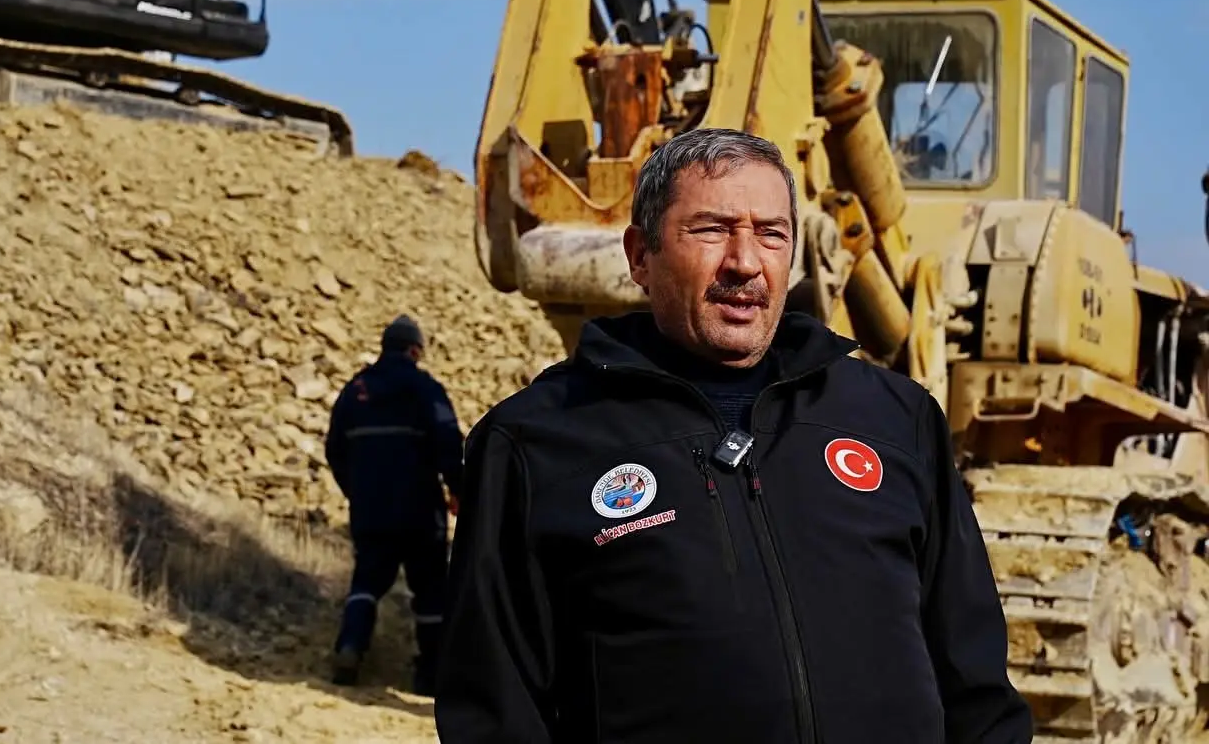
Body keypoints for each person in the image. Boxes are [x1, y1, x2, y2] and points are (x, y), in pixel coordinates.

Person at [435, 128, 1033, 743]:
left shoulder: (896, 420)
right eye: (711, 230)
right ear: (640, 255)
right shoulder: (536, 443)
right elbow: (495, 710)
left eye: (771, 234)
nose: (745, 263)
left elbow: (975, 683)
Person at [324, 313, 465, 696]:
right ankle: (431, 676)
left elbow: (334, 450)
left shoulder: (354, 390)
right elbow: (448, 442)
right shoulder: (424, 387)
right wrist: (459, 489)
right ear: (416, 350)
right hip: (420, 510)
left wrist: (357, 490)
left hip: (371, 510)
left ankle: (350, 648)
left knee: (366, 582)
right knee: (431, 590)